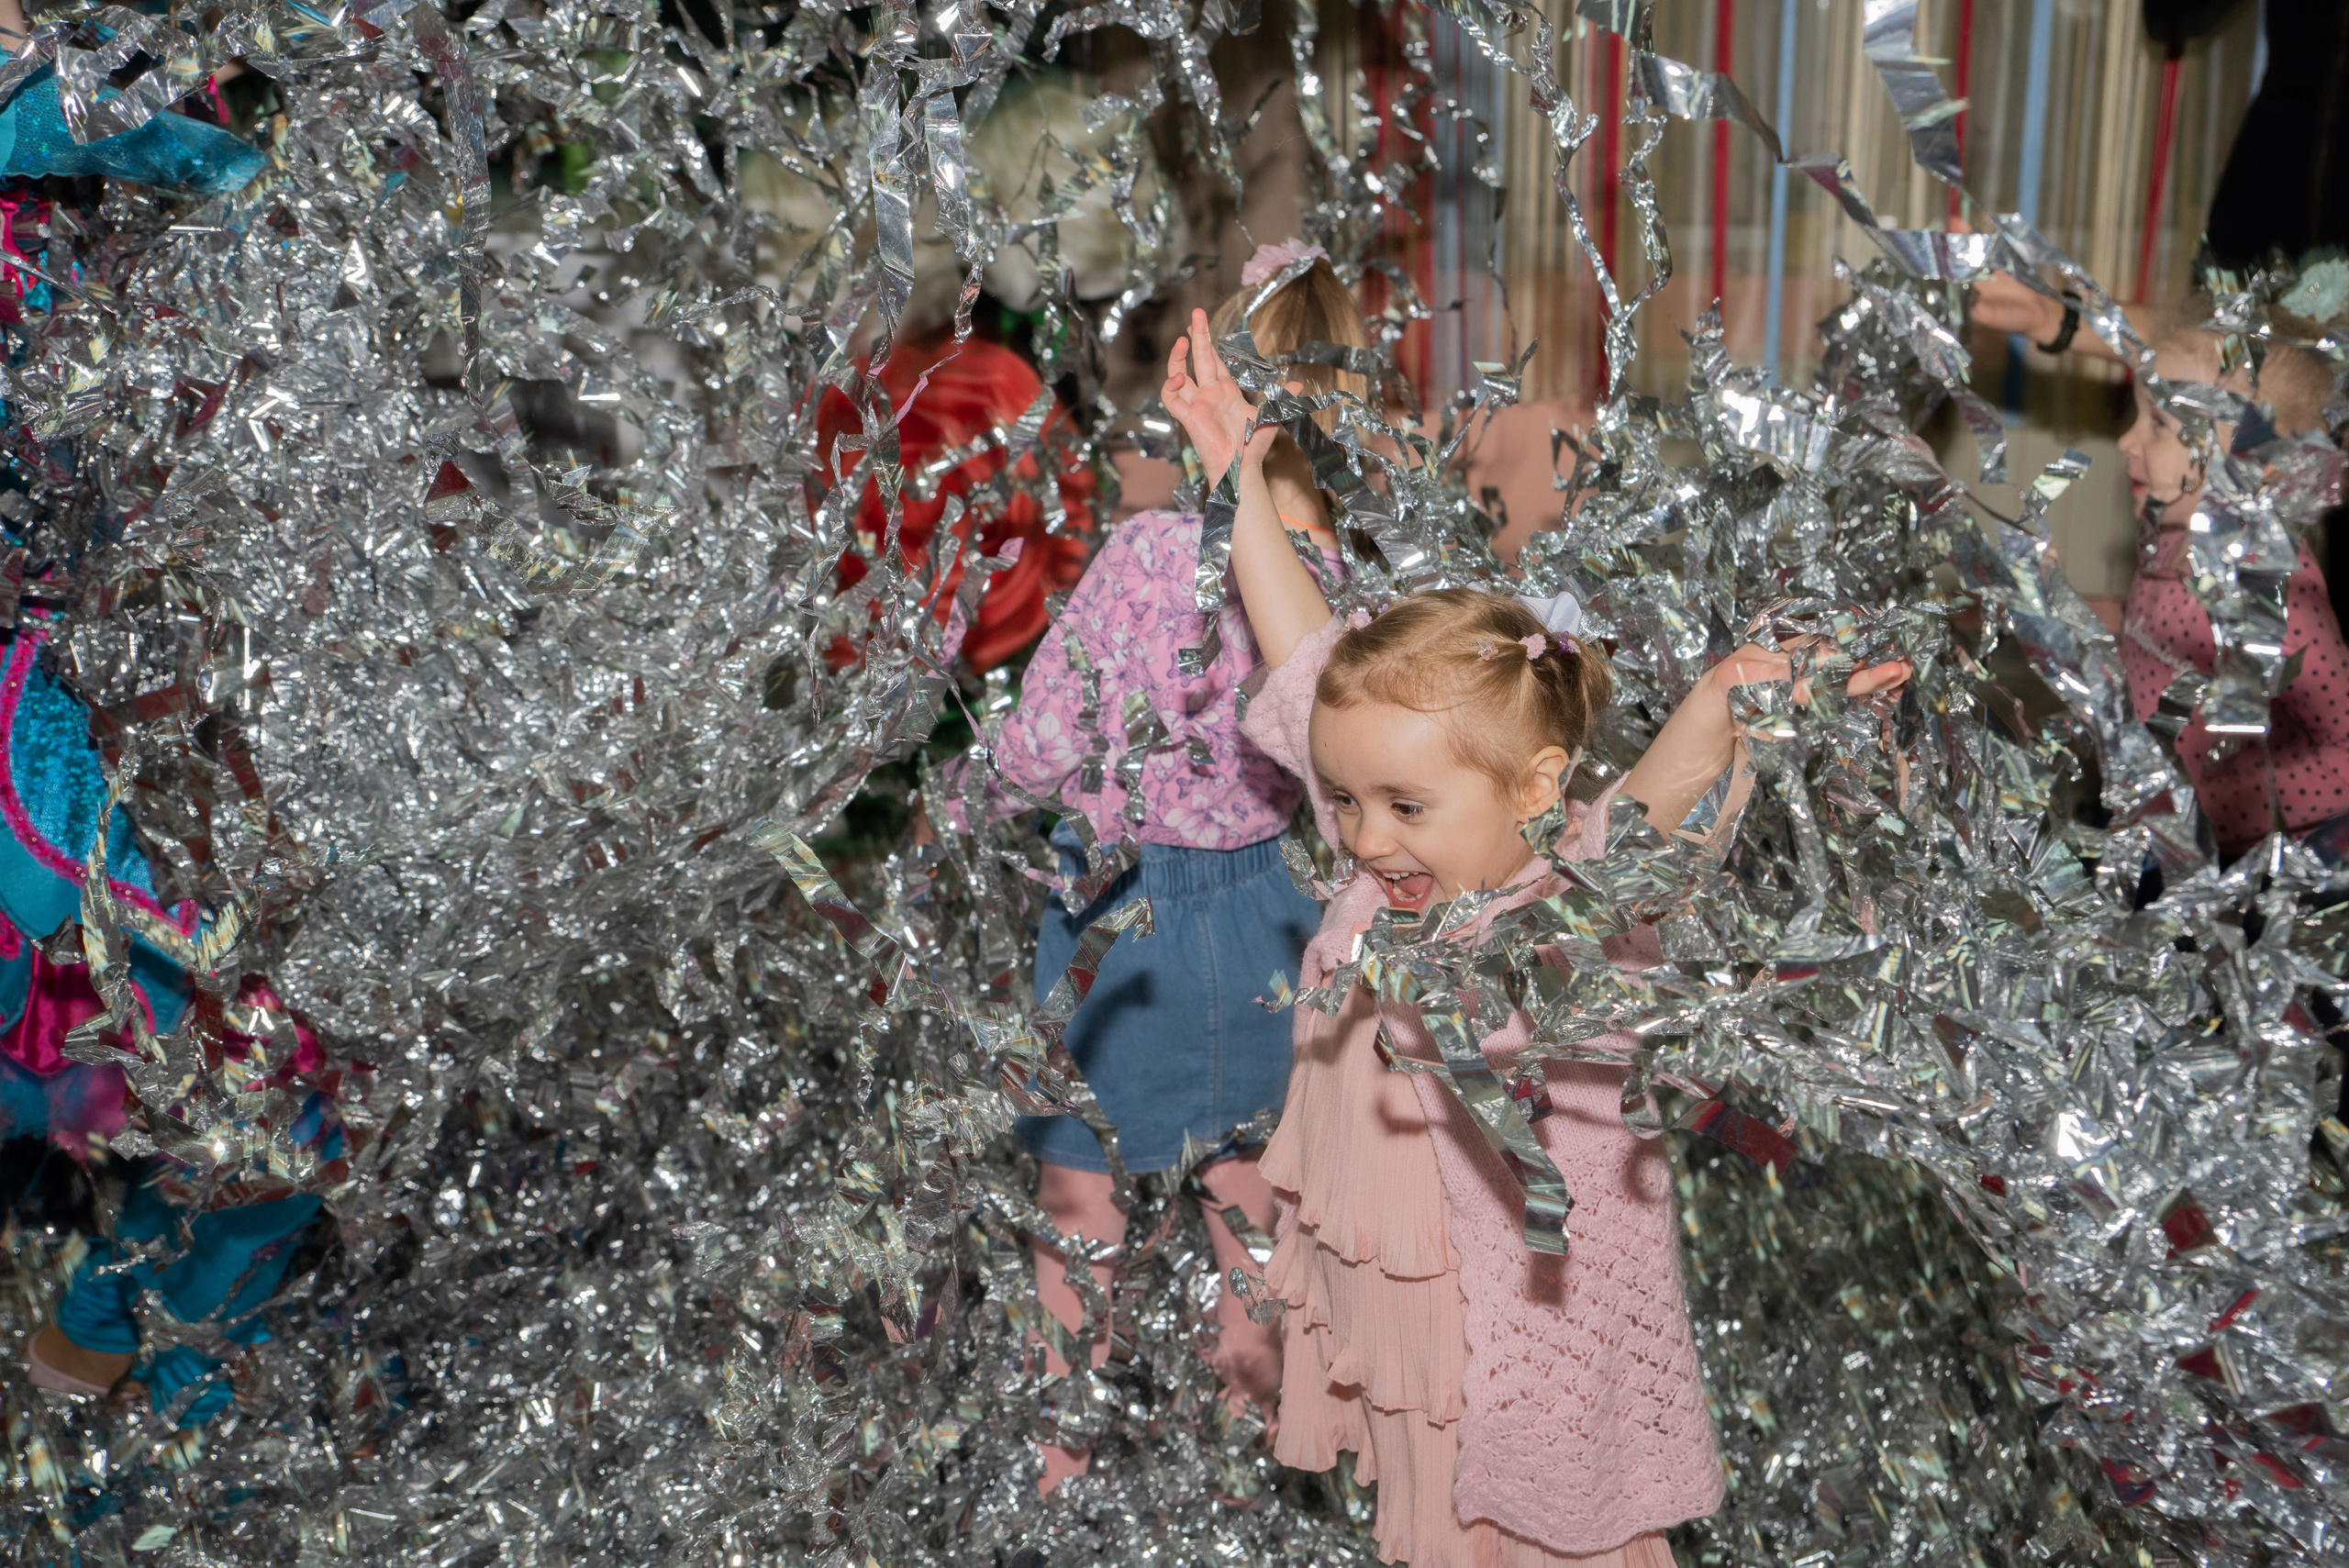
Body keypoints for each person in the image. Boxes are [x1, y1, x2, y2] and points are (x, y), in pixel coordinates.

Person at [1161, 315, 1913, 1562]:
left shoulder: (1546, 929)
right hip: (1423, 1351)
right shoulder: (1385, 880)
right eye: (1346, 800)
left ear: (1532, 792)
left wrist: (1726, 699)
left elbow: (1640, 821)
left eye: (1406, 807)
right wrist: (1240, 482)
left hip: (1517, 1366)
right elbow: (1308, 673)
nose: (1363, 836)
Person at [927, 241, 1369, 1495]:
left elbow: (1043, 742)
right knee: (1250, 1207)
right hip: (1275, 934)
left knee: (1083, 1209)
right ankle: (1251, 1451)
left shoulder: (1147, 556)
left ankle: (1062, 1463)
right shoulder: (1336, 585)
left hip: (1130, 935)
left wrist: (962, 805)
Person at [2113, 309, 2349, 866]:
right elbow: (2151, 635)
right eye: (2139, 415)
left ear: (2257, 468)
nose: (2125, 440)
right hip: (2153, 821)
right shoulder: (2170, 536)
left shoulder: (2276, 604)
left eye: (2159, 426)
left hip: (2239, 872)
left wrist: (2233, 809)